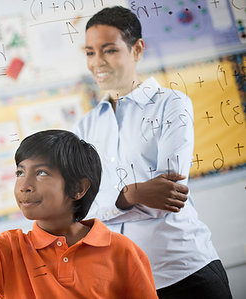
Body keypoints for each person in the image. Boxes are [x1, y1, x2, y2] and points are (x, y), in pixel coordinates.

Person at [73, 6, 232, 298]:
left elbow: (168, 195)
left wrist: (109, 201)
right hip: (128, 284)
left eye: (109, 50)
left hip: (186, 271)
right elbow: (78, 208)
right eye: (90, 52)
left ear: (137, 49)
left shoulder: (171, 104)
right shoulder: (85, 127)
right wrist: (130, 195)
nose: (97, 62)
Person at [0, 114, 158, 298]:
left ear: (78, 188)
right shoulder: (8, 252)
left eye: (41, 173)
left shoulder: (122, 252)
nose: (24, 185)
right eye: (20, 172)